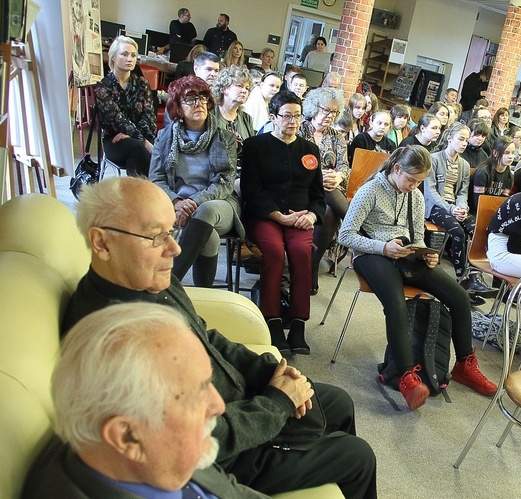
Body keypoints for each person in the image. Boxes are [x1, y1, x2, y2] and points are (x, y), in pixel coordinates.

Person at [63, 177, 376, 498]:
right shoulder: (112, 338)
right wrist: (276, 402)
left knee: (339, 402)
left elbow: (206, 337)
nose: (175, 248)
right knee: (357, 456)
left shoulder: (148, 279)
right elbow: (193, 437)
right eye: (157, 236)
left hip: (240, 403)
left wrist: (268, 370)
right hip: (228, 452)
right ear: (102, 243)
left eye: (172, 231)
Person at [25, 303, 269, 498]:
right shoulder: (162, 447)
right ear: (127, 436)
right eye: (199, 392)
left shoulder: (159, 455)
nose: (219, 405)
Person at [338, 146, 498, 411]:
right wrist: (383, 247)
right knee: (396, 302)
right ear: (396, 169)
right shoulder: (370, 191)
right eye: (411, 179)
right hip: (371, 254)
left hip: (406, 253)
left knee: (458, 296)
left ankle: (464, 364)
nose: (414, 186)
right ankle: (405, 376)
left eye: (420, 181)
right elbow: (346, 235)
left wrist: (428, 254)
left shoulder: (415, 194)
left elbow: (419, 235)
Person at [241, 91, 325, 355]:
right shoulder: (255, 146)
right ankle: (272, 320)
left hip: (300, 219)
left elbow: (318, 195)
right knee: (275, 253)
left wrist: (311, 215)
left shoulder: (310, 149)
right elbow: (251, 190)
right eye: (286, 116)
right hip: (265, 216)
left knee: (301, 253)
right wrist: (278, 215)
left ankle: (298, 323)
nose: (293, 121)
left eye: (297, 116)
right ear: (273, 117)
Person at [149, 76, 241, 288]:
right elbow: (156, 179)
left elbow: (225, 183)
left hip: (219, 204)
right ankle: (204, 296)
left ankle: (168, 286)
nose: (198, 103)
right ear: (178, 108)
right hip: (177, 204)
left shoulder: (224, 137)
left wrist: (194, 202)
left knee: (204, 212)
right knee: (210, 239)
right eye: (190, 99)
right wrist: (177, 202)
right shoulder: (164, 138)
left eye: (202, 98)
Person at [425, 122, 494, 298]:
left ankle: (474, 277)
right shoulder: (433, 159)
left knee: (476, 230)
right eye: (461, 139)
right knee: (458, 232)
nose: (464, 143)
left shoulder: (463, 165)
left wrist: (462, 207)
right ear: (449, 139)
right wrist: (451, 208)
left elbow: (463, 192)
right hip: (435, 206)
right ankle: (461, 279)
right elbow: (430, 191)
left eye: (466, 140)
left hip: (454, 207)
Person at [297, 87, 348, 295]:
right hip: (301, 187)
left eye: (334, 112)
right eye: (326, 110)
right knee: (326, 190)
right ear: (313, 108)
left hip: (329, 189)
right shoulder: (300, 130)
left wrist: (338, 176)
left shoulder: (336, 136)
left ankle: (312, 263)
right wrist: (318, 176)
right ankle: (359, 227)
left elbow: (344, 166)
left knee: (330, 212)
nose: (330, 116)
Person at [95, 35, 156, 177]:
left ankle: (145, 193)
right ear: (113, 57)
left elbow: (150, 118)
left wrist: (132, 135)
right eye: (124, 54)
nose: (130, 59)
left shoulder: (142, 83)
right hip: (114, 140)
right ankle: (141, 193)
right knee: (138, 148)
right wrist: (143, 141)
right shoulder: (103, 87)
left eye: (133, 55)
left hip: (142, 134)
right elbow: (117, 120)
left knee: (162, 148)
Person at [213, 66, 255, 159]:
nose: (244, 91)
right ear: (224, 88)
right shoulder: (210, 114)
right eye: (239, 86)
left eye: (247, 88)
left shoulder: (246, 118)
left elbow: (251, 150)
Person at [471, 135, 514, 210]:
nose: (511, 157)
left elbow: (503, 202)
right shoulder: (482, 173)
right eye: (506, 153)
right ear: (495, 153)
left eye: (513, 153)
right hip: (476, 211)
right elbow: (478, 204)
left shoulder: (510, 177)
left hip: (495, 211)